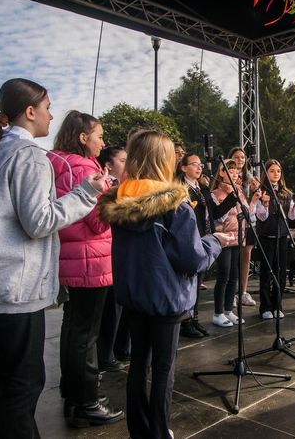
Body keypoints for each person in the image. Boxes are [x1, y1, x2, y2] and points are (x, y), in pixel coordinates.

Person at [0, 78, 109, 438]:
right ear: (29, 111)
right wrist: (86, 191)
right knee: (22, 387)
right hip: (12, 292)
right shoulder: (27, 157)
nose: (52, 115)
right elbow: (39, 221)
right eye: (48, 107)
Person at [98, 129, 230, 439]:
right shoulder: (175, 205)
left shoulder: (120, 199)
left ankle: (139, 431)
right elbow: (193, 259)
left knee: (138, 363)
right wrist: (215, 241)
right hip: (166, 298)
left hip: (132, 296)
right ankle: (158, 432)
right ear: (163, 160)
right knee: (162, 370)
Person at [48, 111, 124, 427]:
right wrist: (117, 196)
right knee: (87, 335)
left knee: (74, 329)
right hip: (90, 260)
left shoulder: (60, 163)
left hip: (72, 257)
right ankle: (89, 401)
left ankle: (73, 391)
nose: (102, 142)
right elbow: (95, 221)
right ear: (83, 138)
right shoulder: (84, 168)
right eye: (99, 136)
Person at [210, 159, 262, 327]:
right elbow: (219, 218)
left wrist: (251, 200)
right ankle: (217, 313)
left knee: (234, 276)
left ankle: (227, 311)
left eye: (235, 171)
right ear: (221, 173)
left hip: (239, 238)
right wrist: (230, 199)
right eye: (229, 170)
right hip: (224, 239)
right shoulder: (215, 194)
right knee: (223, 276)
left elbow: (248, 214)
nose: (233, 173)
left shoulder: (239, 191)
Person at [257, 159, 295, 320]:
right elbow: (261, 217)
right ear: (266, 173)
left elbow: (291, 216)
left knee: (280, 272)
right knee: (266, 272)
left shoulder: (286, 193)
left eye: (278, 171)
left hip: (282, 236)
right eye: (272, 171)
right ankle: (265, 307)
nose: (276, 174)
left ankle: (277, 305)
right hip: (266, 236)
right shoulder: (261, 191)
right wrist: (264, 204)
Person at [96, 145, 130, 370]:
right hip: (106, 255)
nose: (127, 164)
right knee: (109, 308)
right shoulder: (106, 189)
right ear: (108, 164)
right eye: (123, 160)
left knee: (122, 305)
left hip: (121, 254)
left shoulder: (126, 186)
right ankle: (105, 354)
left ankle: (121, 347)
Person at [176, 153, 214, 338]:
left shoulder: (200, 188)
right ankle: (186, 321)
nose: (199, 168)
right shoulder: (181, 188)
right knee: (189, 283)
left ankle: (194, 318)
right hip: (191, 237)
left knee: (198, 282)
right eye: (194, 164)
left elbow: (211, 212)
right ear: (183, 168)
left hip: (203, 235)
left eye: (200, 165)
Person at [227, 146, 258, 307]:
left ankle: (243, 291)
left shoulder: (249, 177)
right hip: (233, 221)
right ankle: (230, 293)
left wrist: (256, 191)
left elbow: (254, 198)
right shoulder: (226, 174)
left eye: (242, 157)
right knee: (234, 256)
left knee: (247, 255)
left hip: (249, 220)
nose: (240, 160)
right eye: (237, 157)